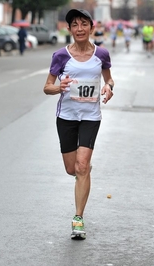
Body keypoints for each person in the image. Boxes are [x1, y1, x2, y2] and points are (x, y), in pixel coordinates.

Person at [43, 9, 114, 240]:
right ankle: (83, 172)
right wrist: (59, 87)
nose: (80, 29)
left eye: (84, 24)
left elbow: (109, 78)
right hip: (66, 117)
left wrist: (109, 87)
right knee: (71, 169)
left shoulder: (101, 54)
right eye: (75, 25)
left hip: (91, 117)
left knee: (82, 166)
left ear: (91, 28)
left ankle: (78, 218)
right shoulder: (60, 56)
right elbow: (47, 87)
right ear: (70, 29)